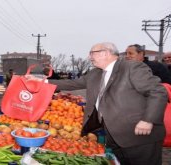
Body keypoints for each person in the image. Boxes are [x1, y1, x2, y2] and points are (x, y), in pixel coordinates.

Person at [28, 42, 168, 165]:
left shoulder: (132, 68)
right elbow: (72, 83)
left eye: (92, 53)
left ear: (106, 53)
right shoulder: (95, 73)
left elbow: (158, 92)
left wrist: (148, 120)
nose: (90, 57)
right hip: (113, 137)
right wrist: (41, 81)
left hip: (139, 136)